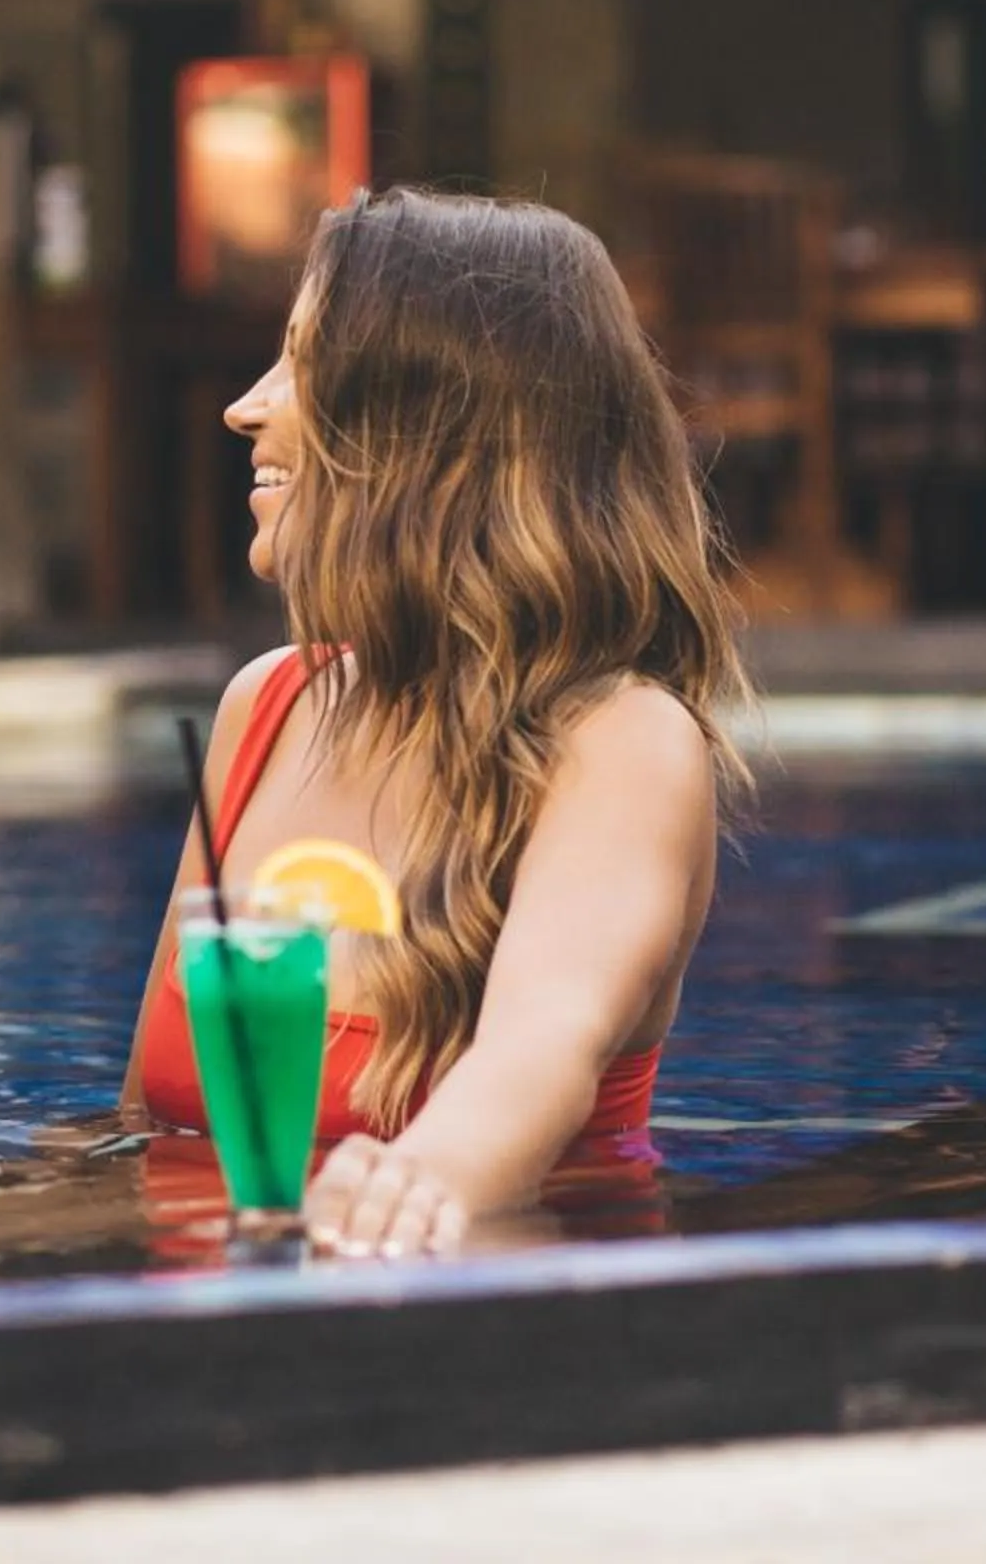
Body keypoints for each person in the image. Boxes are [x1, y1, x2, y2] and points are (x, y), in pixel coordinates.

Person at [122, 188, 748, 1258]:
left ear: (429, 425)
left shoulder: (622, 740)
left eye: (303, 363)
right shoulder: (262, 709)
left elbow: (541, 1046)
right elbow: (151, 1124)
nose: (244, 407)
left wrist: (408, 1190)